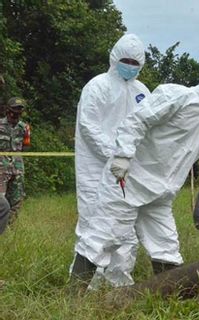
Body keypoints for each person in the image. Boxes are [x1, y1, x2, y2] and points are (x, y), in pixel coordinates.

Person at [70, 63, 199, 287]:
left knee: (166, 245)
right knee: (102, 236)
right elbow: (137, 120)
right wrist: (123, 155)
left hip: (160, 194)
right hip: (129, 182)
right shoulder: (176, 96)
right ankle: (74, 296)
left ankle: (169, 298)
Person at [71, 34, 150, 288]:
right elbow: (88, 126)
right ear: (115, 57)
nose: (130, 65)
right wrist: (115, 154)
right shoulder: (98, 86)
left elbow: (148, 128)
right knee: (93, 222)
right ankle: (88, 285)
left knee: (125, 226)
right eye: (126, 60)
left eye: (135, 62)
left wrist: (130, 159)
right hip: (94, 167)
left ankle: (119, 283)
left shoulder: (142, 92)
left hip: (127, 171)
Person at [0, 97, 31, 226]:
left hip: (17, 169)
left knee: (17, 200)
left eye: (20, 110)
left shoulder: (24, 127)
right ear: (8, 110)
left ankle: (9, 230)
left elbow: (26, 146)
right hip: (1, 169)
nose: (17, 113)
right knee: (1, 201)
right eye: (15, 109)